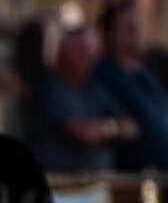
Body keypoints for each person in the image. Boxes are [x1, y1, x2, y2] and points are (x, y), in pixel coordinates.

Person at [23, 25, 136, 174]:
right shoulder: (50, 89)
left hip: (99, 181)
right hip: (61, 182)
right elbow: (84, 133)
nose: (86, 59)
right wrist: (112, 128)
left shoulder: (96, 91)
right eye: (79, 53)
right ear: (62, 54)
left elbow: (130, 128)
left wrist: (105, 129)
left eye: (90, 54)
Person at [93, 1, 168, 172]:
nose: (134, 33)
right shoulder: (101, 76)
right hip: (127, 175)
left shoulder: (146, 77)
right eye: (127, 28)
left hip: (161, 174)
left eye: (137, 27)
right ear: (109, 33)